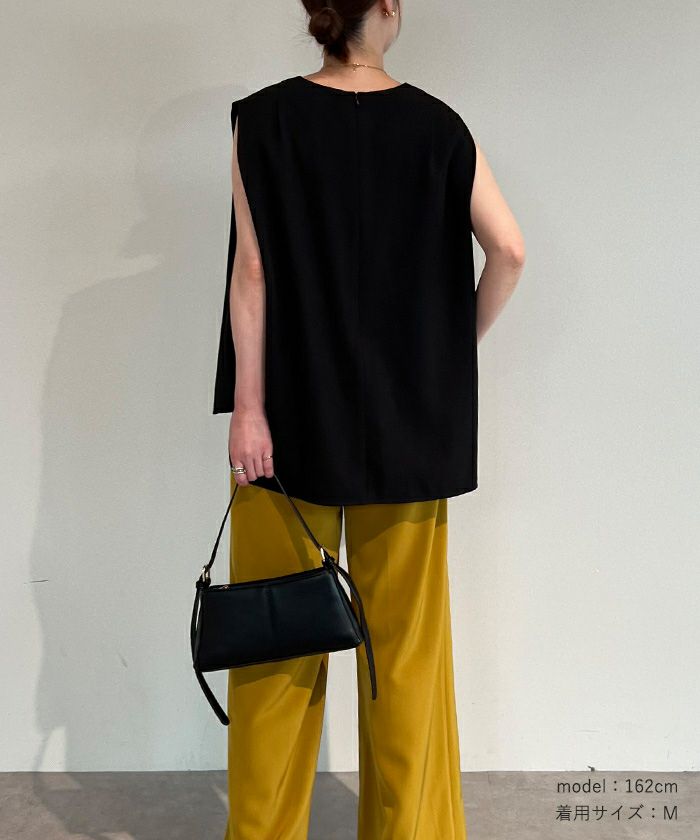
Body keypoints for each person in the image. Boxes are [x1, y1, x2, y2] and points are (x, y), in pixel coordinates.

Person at [213, 2, 525, 837]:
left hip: (286, 425)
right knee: (405, 659)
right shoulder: (440, 127)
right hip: (413, 426)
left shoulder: (262, 120)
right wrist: (450, 350)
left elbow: (252, 272)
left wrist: (248, 412)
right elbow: (510, 251)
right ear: (386, 8)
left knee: (275, 653)